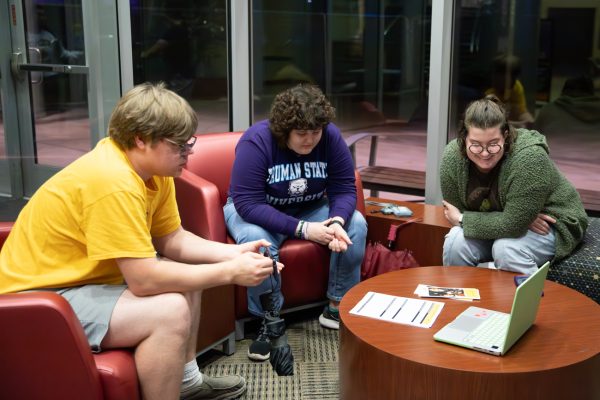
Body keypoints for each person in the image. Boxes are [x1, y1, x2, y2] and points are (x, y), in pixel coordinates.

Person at [0, 82, 283, 400]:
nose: (188, 156)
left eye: (188, 144)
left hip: (81, 281)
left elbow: (172, 239)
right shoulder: (112, 181)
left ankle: (187, 384)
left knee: (186, 275)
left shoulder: (153, 171)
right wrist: (231, 273)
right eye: (180, 147)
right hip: (36, 301)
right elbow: (144, 280)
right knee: (169, 310)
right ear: (140, 140)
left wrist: (233, 253)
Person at [224, 84, 367, 361]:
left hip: (311, 206)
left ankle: (337, 306)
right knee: (258, 244)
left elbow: (344, 187)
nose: (310, 140)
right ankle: (269, 321)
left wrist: (336, 220)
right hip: (257, 211)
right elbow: (247, 203)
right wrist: (303, 230)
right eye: (301, 134)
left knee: (356, 224)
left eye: (315, 132)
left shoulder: (329, 137)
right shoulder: (257, 141)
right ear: (283, 130)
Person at [440, 94, 588, 275]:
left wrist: (515, 219)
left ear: (506, 135)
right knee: (456, 241)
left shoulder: (530, 157)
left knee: (507, 248)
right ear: (463, 139)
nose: (485, 153)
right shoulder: (452, 158)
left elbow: (462, 217)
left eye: (493, 144)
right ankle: (458, 300)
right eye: (476, 145)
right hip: (506, 218)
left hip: (553, 220)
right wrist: (516, 218)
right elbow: (457, 210)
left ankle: (527, 303)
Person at [485, 54, 534, 128]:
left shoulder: (516, 87)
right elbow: (489, 120)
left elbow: (521, 110)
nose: (513, 81)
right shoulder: (489, 92)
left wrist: (528, 120)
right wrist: (518, 124)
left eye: (514, 77)